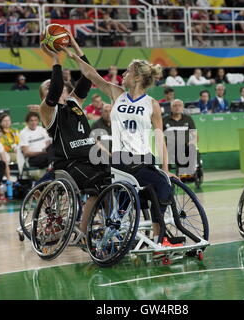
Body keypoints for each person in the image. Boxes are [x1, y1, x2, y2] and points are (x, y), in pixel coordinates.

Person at [62, 40, 179, 246]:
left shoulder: (152, 104)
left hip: (144, 160)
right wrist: (73, 55)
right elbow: (91, 75)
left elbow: (160, 137)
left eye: (127, 72)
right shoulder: (116, 94)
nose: (123, 74)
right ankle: (161, 238)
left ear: (137, 77)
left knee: (162, 182)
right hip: (122, 159)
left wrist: (166, 168)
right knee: (160, 186)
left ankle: (157, 236)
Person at [38, 39, 108, 237]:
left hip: (91, 158)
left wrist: (75, 48)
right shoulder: (47, 110)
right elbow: (55, 88)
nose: (55, 88)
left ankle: (115, 221)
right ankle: (83, 232)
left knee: (121, 172)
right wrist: (55, 59)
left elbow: (87, 78)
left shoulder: (74, 103)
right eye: (49, 87)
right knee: (98, 184)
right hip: (69, 164)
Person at [163, 99, 198, 174]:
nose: (177, 107)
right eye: (175, 106)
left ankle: (190, 170)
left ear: (183, 108)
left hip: (186, 146)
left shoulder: (188, 119)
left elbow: (195, 136)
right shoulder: (165, 120)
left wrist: (192, 141)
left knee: (192, 147)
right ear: (171, 108)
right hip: (171, 147)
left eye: (179, 105)